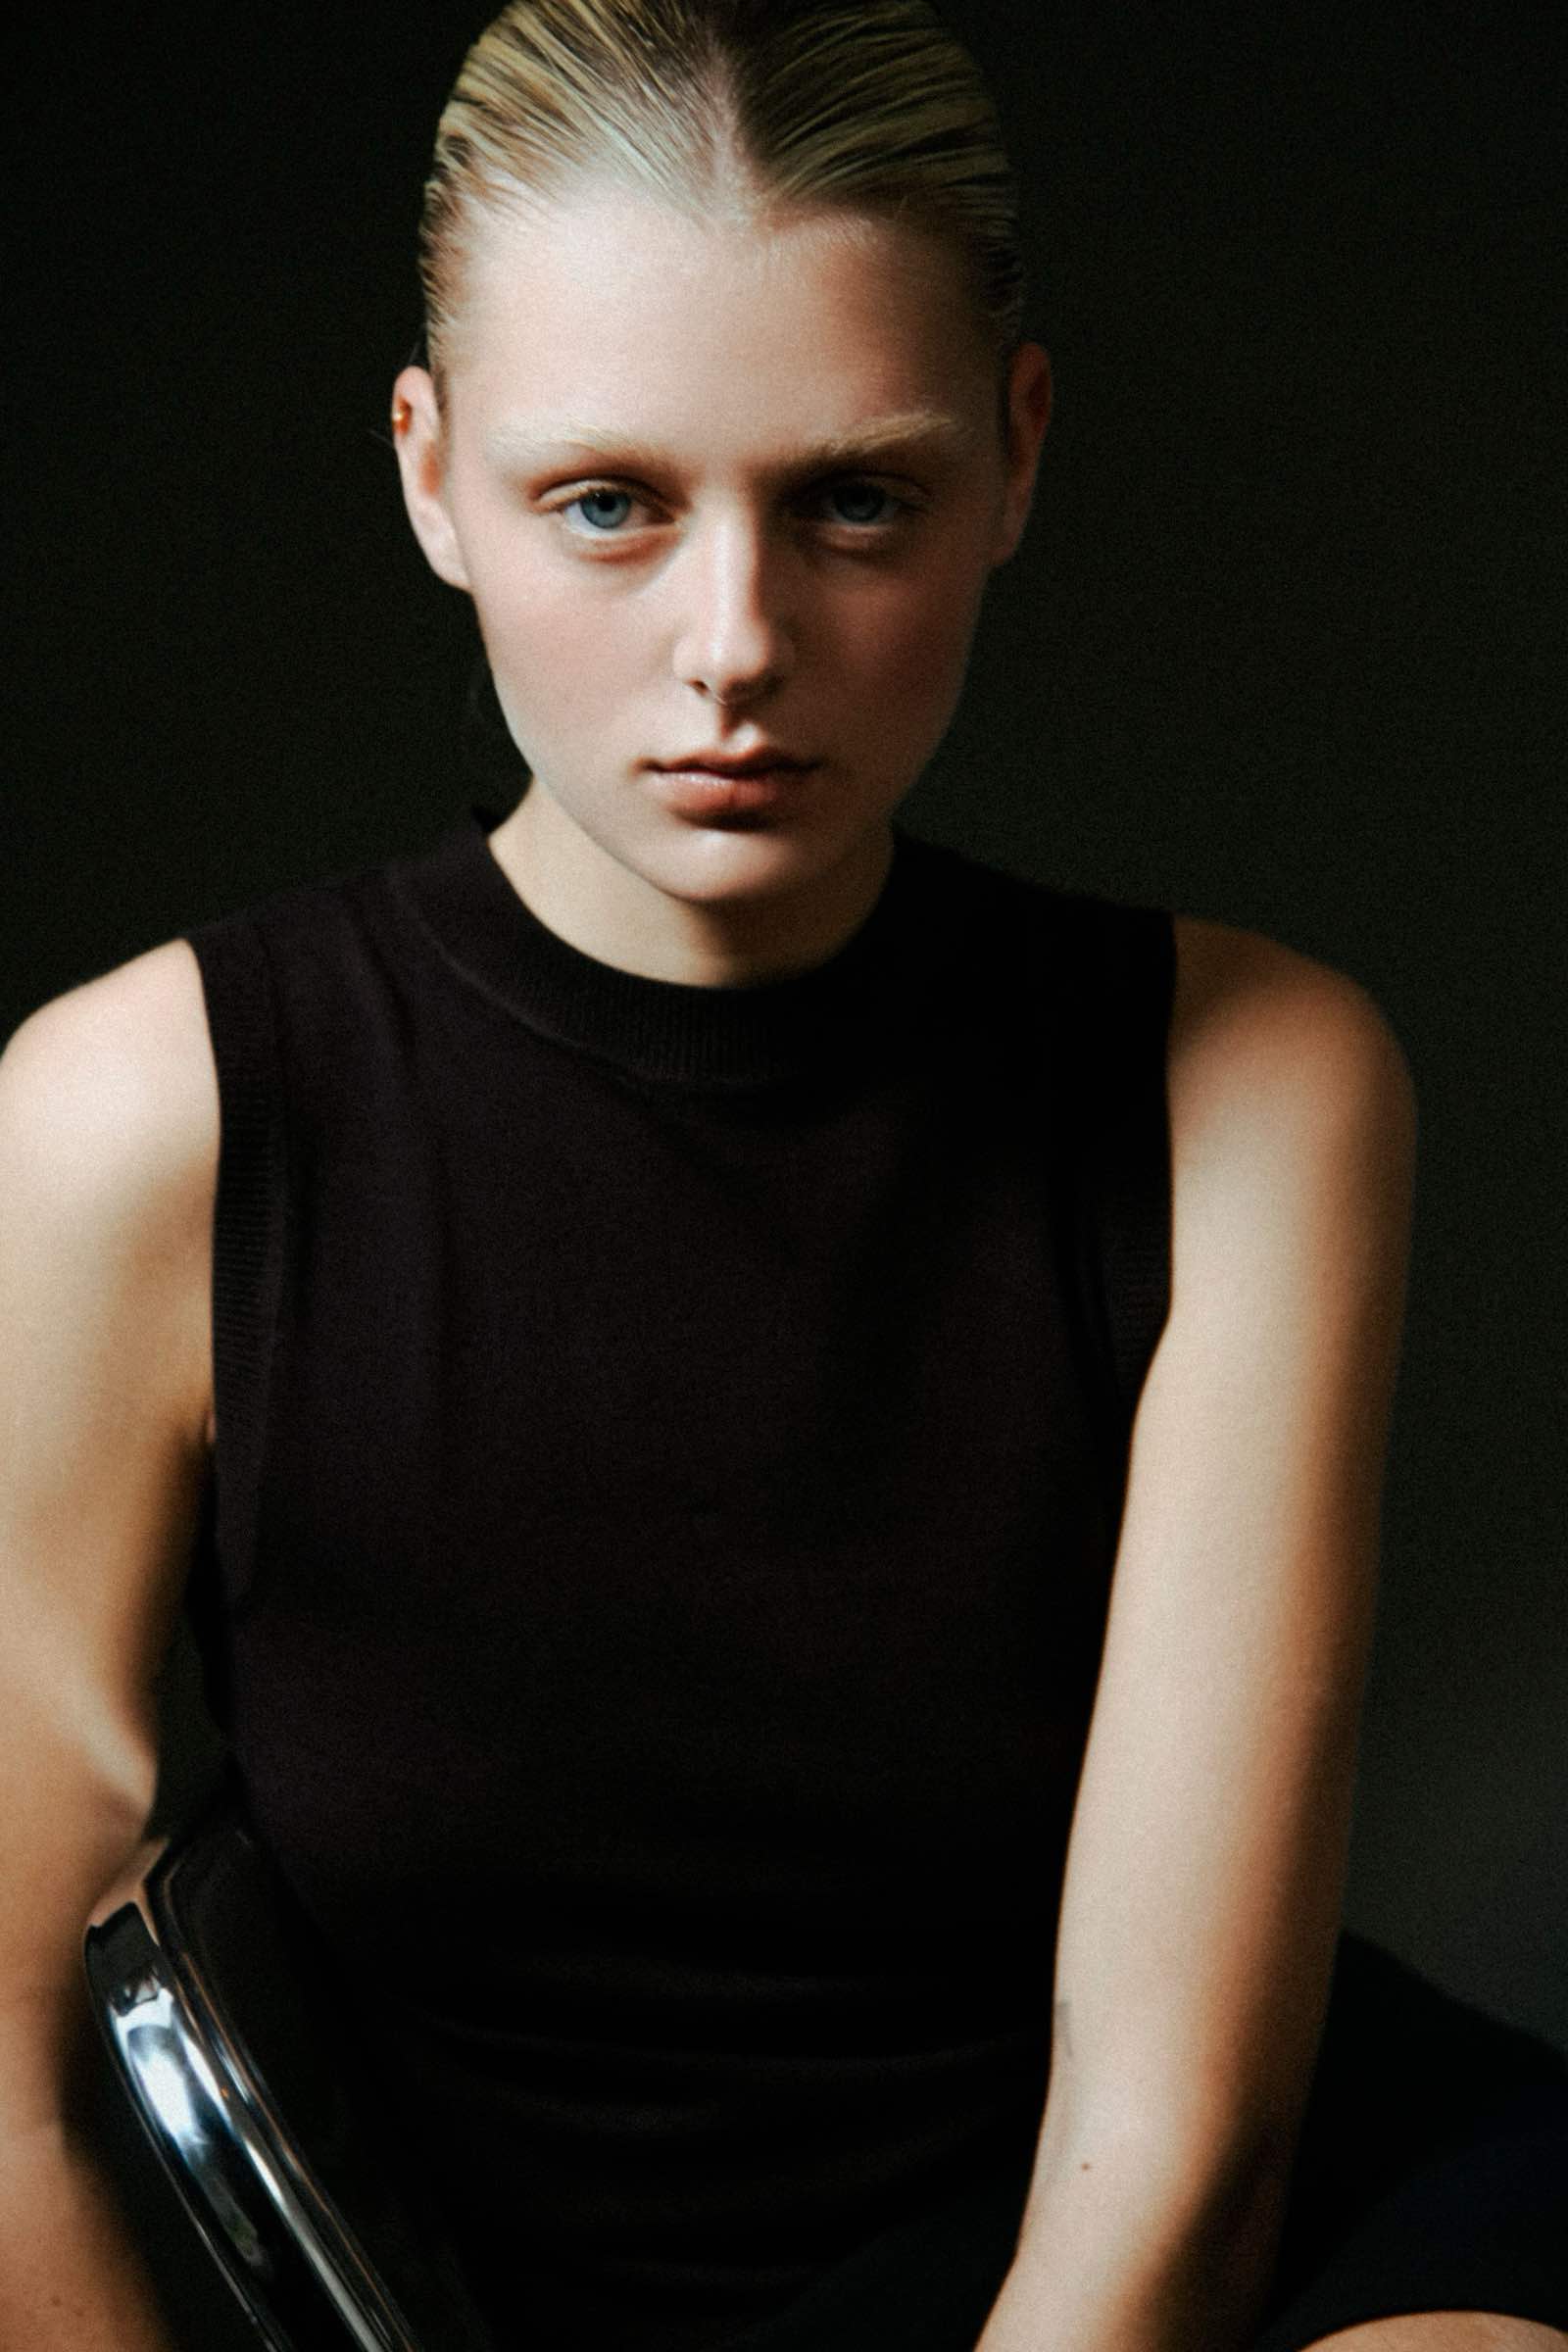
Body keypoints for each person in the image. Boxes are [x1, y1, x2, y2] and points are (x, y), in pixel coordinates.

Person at [2, 2, 1566, 2347]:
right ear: (428, 475)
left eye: (852, 500)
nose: (733, 646)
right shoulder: (146, 1115)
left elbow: (1167, 2138)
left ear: (1011, 456)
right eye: (604, 502)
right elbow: (10, 2073)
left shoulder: (1249, 1083)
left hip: (1141, 2253)